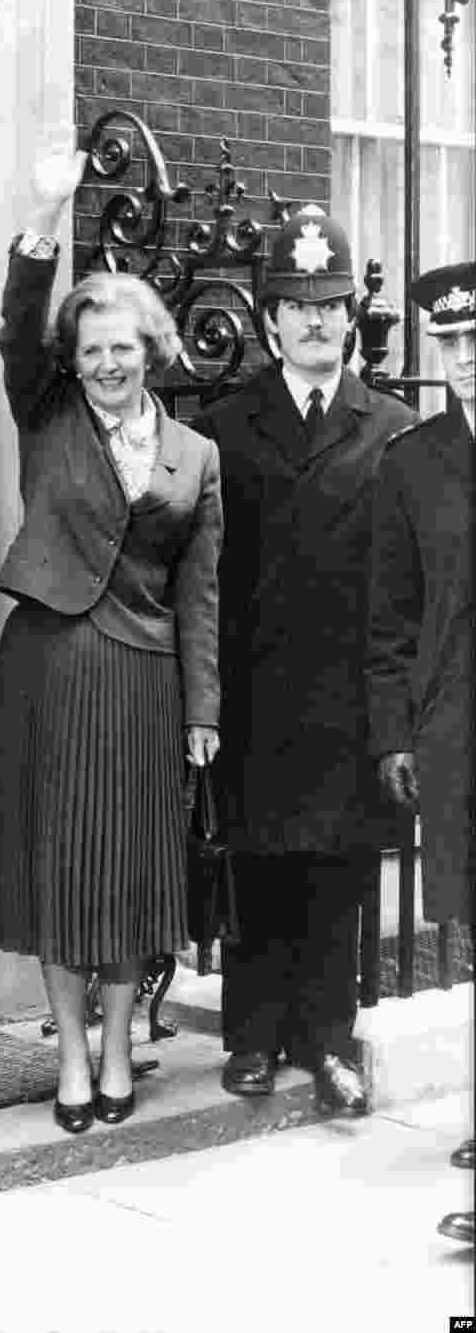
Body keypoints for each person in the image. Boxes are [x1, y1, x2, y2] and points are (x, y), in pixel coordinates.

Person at [0, 144, 222, 1133]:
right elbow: (11, 329)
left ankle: (121, 1047)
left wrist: (203, 711)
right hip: (47, 666)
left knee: (123, 875)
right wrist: (47, 212)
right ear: (70, 362)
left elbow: (201, 593)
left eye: (122, 348)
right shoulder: (45, 414)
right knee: (55, 866)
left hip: (142, 679)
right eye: (90, 351)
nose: (107, 364)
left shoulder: (194, 455)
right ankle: (70, 1056)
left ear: (150, 350)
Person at [193, 206, 417, 1113]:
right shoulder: (224, 427)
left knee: (337, 878)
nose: (317, 320)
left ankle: (329, 1041)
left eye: (330, 304)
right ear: (269, 320)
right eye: (297, 305)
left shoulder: (394, 427)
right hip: (255, 695)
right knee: (257, 871)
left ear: (350, 317)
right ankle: (252, 1037)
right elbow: (203, 577)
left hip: (353, 699)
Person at [366, 260, 474, 1245]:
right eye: (452, 347)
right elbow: (390, 620)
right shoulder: (414, 461)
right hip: (455, 732)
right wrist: (394, 733)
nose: (470, 361)